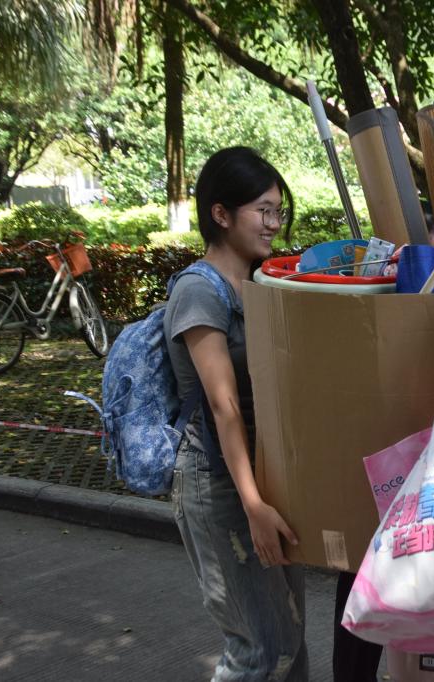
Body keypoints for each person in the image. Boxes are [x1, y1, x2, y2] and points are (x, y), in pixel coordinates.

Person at [165, 146, 308, 681]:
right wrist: (253, 505)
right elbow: (225, 407)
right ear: (220, 214)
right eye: (262, 210)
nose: (274, 223)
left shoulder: (260, 285)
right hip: (220, 484)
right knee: (257, 648)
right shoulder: (199, 291)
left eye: (278, 211)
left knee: (289, 641)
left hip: (261, 474)